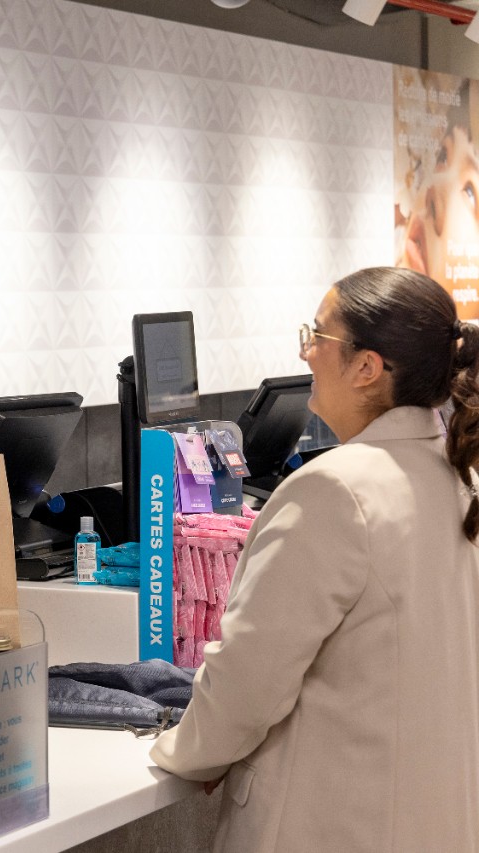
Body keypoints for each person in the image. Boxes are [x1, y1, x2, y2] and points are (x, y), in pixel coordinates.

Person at [150, 267, 479, 852]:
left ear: (366, 367)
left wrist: (182, 752)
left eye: (317, 336)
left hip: (335, 825)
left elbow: (248, 681)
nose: (305, 352)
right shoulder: (458, 475)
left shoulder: (334, 491)